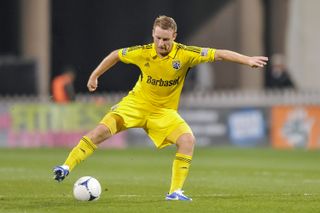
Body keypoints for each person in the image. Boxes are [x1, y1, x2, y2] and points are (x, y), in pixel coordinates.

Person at [53, 15, 268, 201]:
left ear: (174, 36)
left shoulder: (185, 54)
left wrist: (247, 59)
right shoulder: (143, 52)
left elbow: (219, 54)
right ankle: (66, 166)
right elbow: (116, 55)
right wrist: (94, 75)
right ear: (153, 35)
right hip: (135, 105)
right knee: (100, 131)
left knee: (187, 140)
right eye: (157, 38)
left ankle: (175, 192)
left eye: (166, 39)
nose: (161, 43)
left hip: (163, 113)